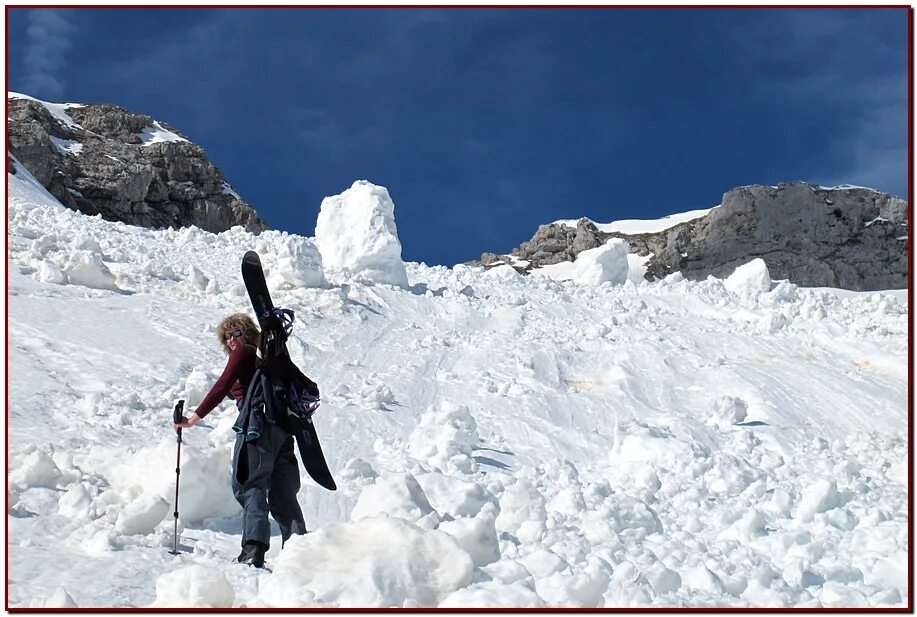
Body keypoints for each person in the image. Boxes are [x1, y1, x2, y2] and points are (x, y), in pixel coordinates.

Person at [173, 313, 306, 568]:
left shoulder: (245, 352)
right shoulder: (269, 359)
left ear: (247, 333)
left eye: (236, 333)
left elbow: (223, 385)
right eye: (227, 337)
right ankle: (300, 551)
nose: (232, 340)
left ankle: (253, 548)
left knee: (249, 483)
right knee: (282, 492)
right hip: (282, 431)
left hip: (256, 427)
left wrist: (193, 419)